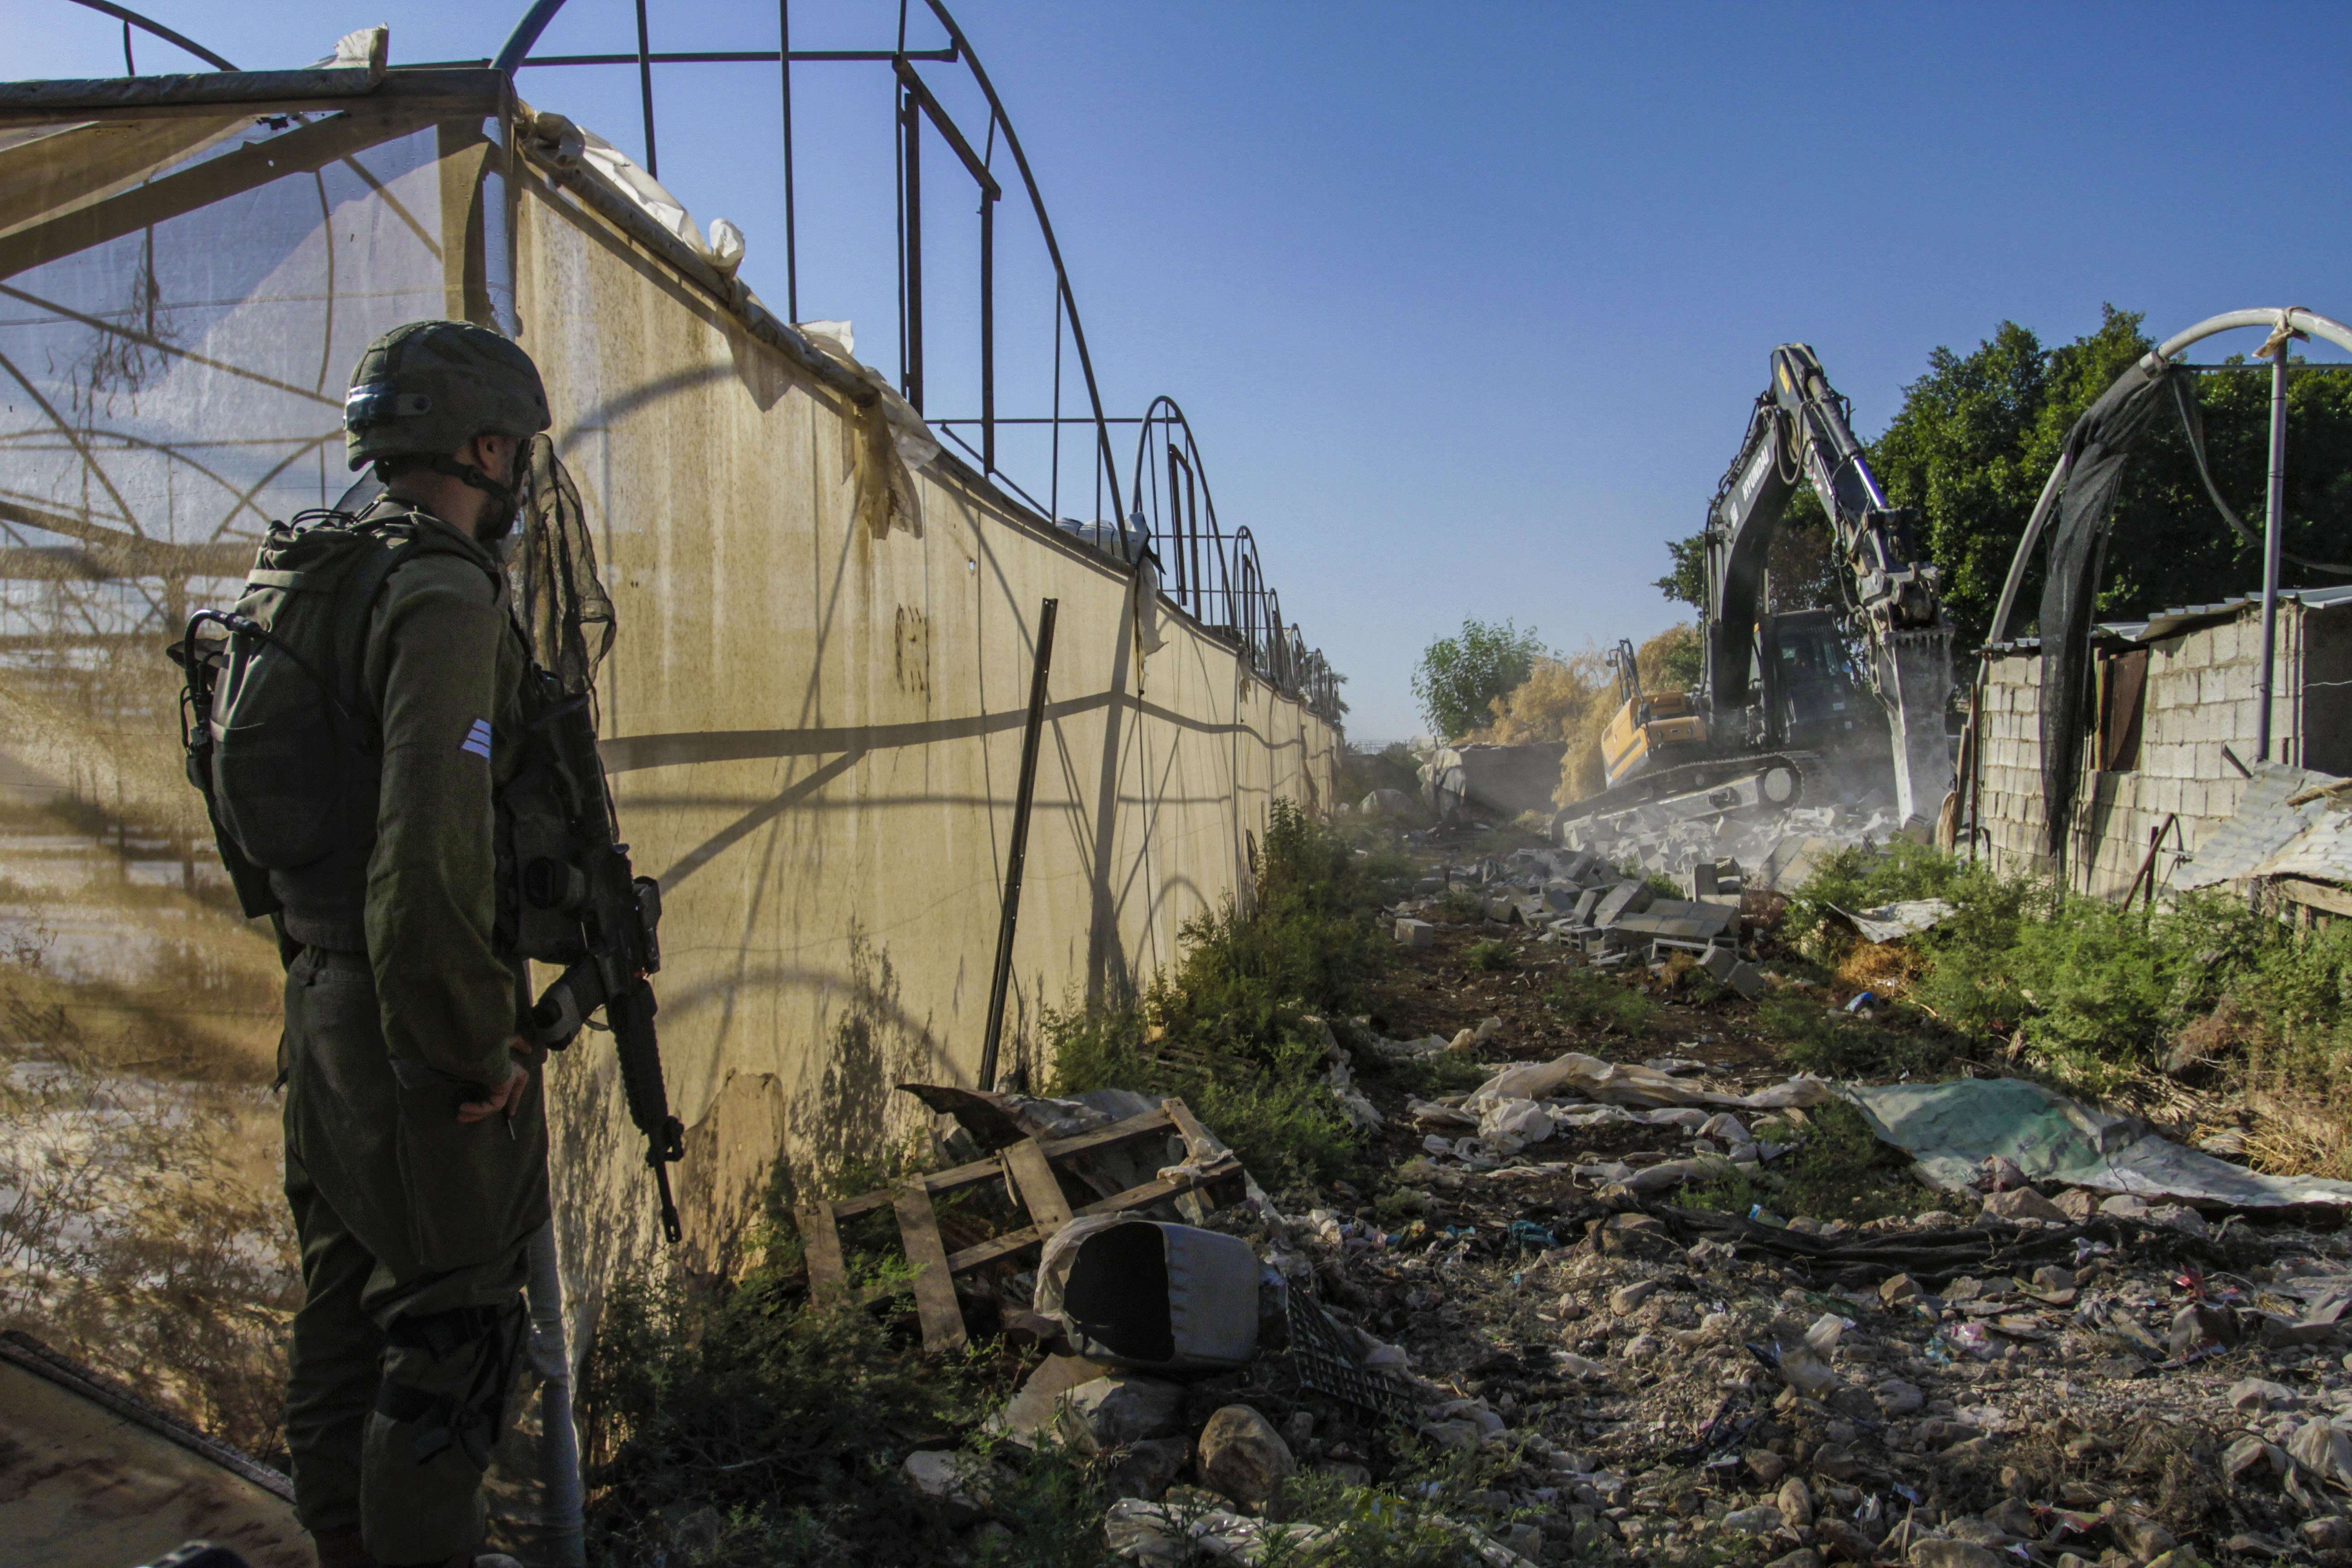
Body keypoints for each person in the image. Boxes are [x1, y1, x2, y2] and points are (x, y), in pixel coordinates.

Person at [210, 320, 555, 1568]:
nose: (518, 480)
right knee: (451, 1339)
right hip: (411, 1031)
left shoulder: (302, 567)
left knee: (346, 1313)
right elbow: (427, 862)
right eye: (513, 454)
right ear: (483, 446)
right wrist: (476, 1052)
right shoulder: (442, 589)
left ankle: (339, 1548)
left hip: (323, 1004)